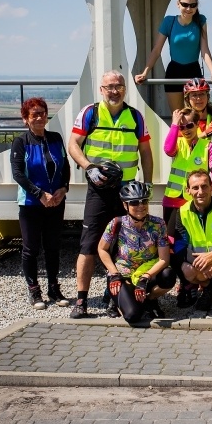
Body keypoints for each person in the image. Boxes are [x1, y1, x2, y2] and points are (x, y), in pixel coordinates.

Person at [68, 70, 154, 319]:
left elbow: (145, 152)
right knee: (89, 244)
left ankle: (113, 297)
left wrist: (147, 184)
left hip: (126, 191)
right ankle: (81, 300)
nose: (114, 91)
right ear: (101, 90)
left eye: (119, 86)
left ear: (125, 89)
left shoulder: (135, 116)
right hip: (99, 189)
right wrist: (89, 167)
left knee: (121, 246)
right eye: (109, 87)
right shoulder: (90, 113)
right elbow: (73, 144)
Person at [10, 97, 70, 310]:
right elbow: (18, 174)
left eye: (43, 113)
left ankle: (54, 288)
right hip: (31, 204)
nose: (39, 117)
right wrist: (39, 194)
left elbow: (65, 167)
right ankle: (34, 290)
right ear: (25, 118)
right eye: (34, 114)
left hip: (56, 202)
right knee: (31, 249)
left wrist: (64, 188)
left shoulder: (55, 138)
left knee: (53, 247)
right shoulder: (21, 142)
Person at [134, 0, 212, 114]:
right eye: (185, 4)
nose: (188, 8)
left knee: (197, 116)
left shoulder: (200, 21)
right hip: (174, 72)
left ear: (197, 6)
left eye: (192, 5)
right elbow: (157, 50)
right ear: (178, 4)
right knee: (178, 115)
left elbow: (205, 50)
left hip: (194, 71)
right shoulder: (169, 22)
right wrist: (144, 73)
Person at [98, 182, 176, 324]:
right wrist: (114, 273)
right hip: (123, 274)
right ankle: (117, 300)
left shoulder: (158, 224)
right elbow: (102, 249)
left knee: (168, 275)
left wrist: (145, 277)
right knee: (133, 316)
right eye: (134, 202)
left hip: (146, 273)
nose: (140, 206)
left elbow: (164, 259)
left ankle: (150, 299)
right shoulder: (116, 223)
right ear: (125, 205)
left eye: (144, 201)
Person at [168, 169, 212, 312]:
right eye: (195, 187)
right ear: (188, 190)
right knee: (185, 268)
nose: (200, 191)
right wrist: (196, 263)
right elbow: (180, 244)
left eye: (204, 186)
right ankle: (210, 287)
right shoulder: (182, 212)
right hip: (200, 264)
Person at [162, 107, 212, 224]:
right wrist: (174, 124)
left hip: (196, 200)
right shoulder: (178, 143)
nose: (186, 130)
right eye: (182, 127)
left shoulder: (209, 147)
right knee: (170, 235)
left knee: (195, 234)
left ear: (197, 124)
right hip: (172, 200)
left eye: (189, 125)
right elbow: (168, 150)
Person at [183, 77, 212, 153]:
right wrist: (205, 134)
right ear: (187, 99)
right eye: (194, 95)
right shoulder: (183, 121)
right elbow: (183, 144)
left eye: (202, 94)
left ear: (207, 97)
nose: (198, 98)